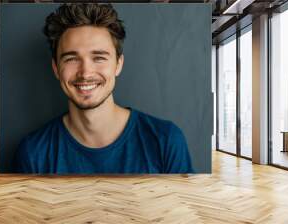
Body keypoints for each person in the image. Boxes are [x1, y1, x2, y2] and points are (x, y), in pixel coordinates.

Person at [13, 3, 193, 174]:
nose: (85, 73)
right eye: (71, 59)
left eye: (99, 57)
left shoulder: (166, 141)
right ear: (55, 68)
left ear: (118, 64)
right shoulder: (33, 153)